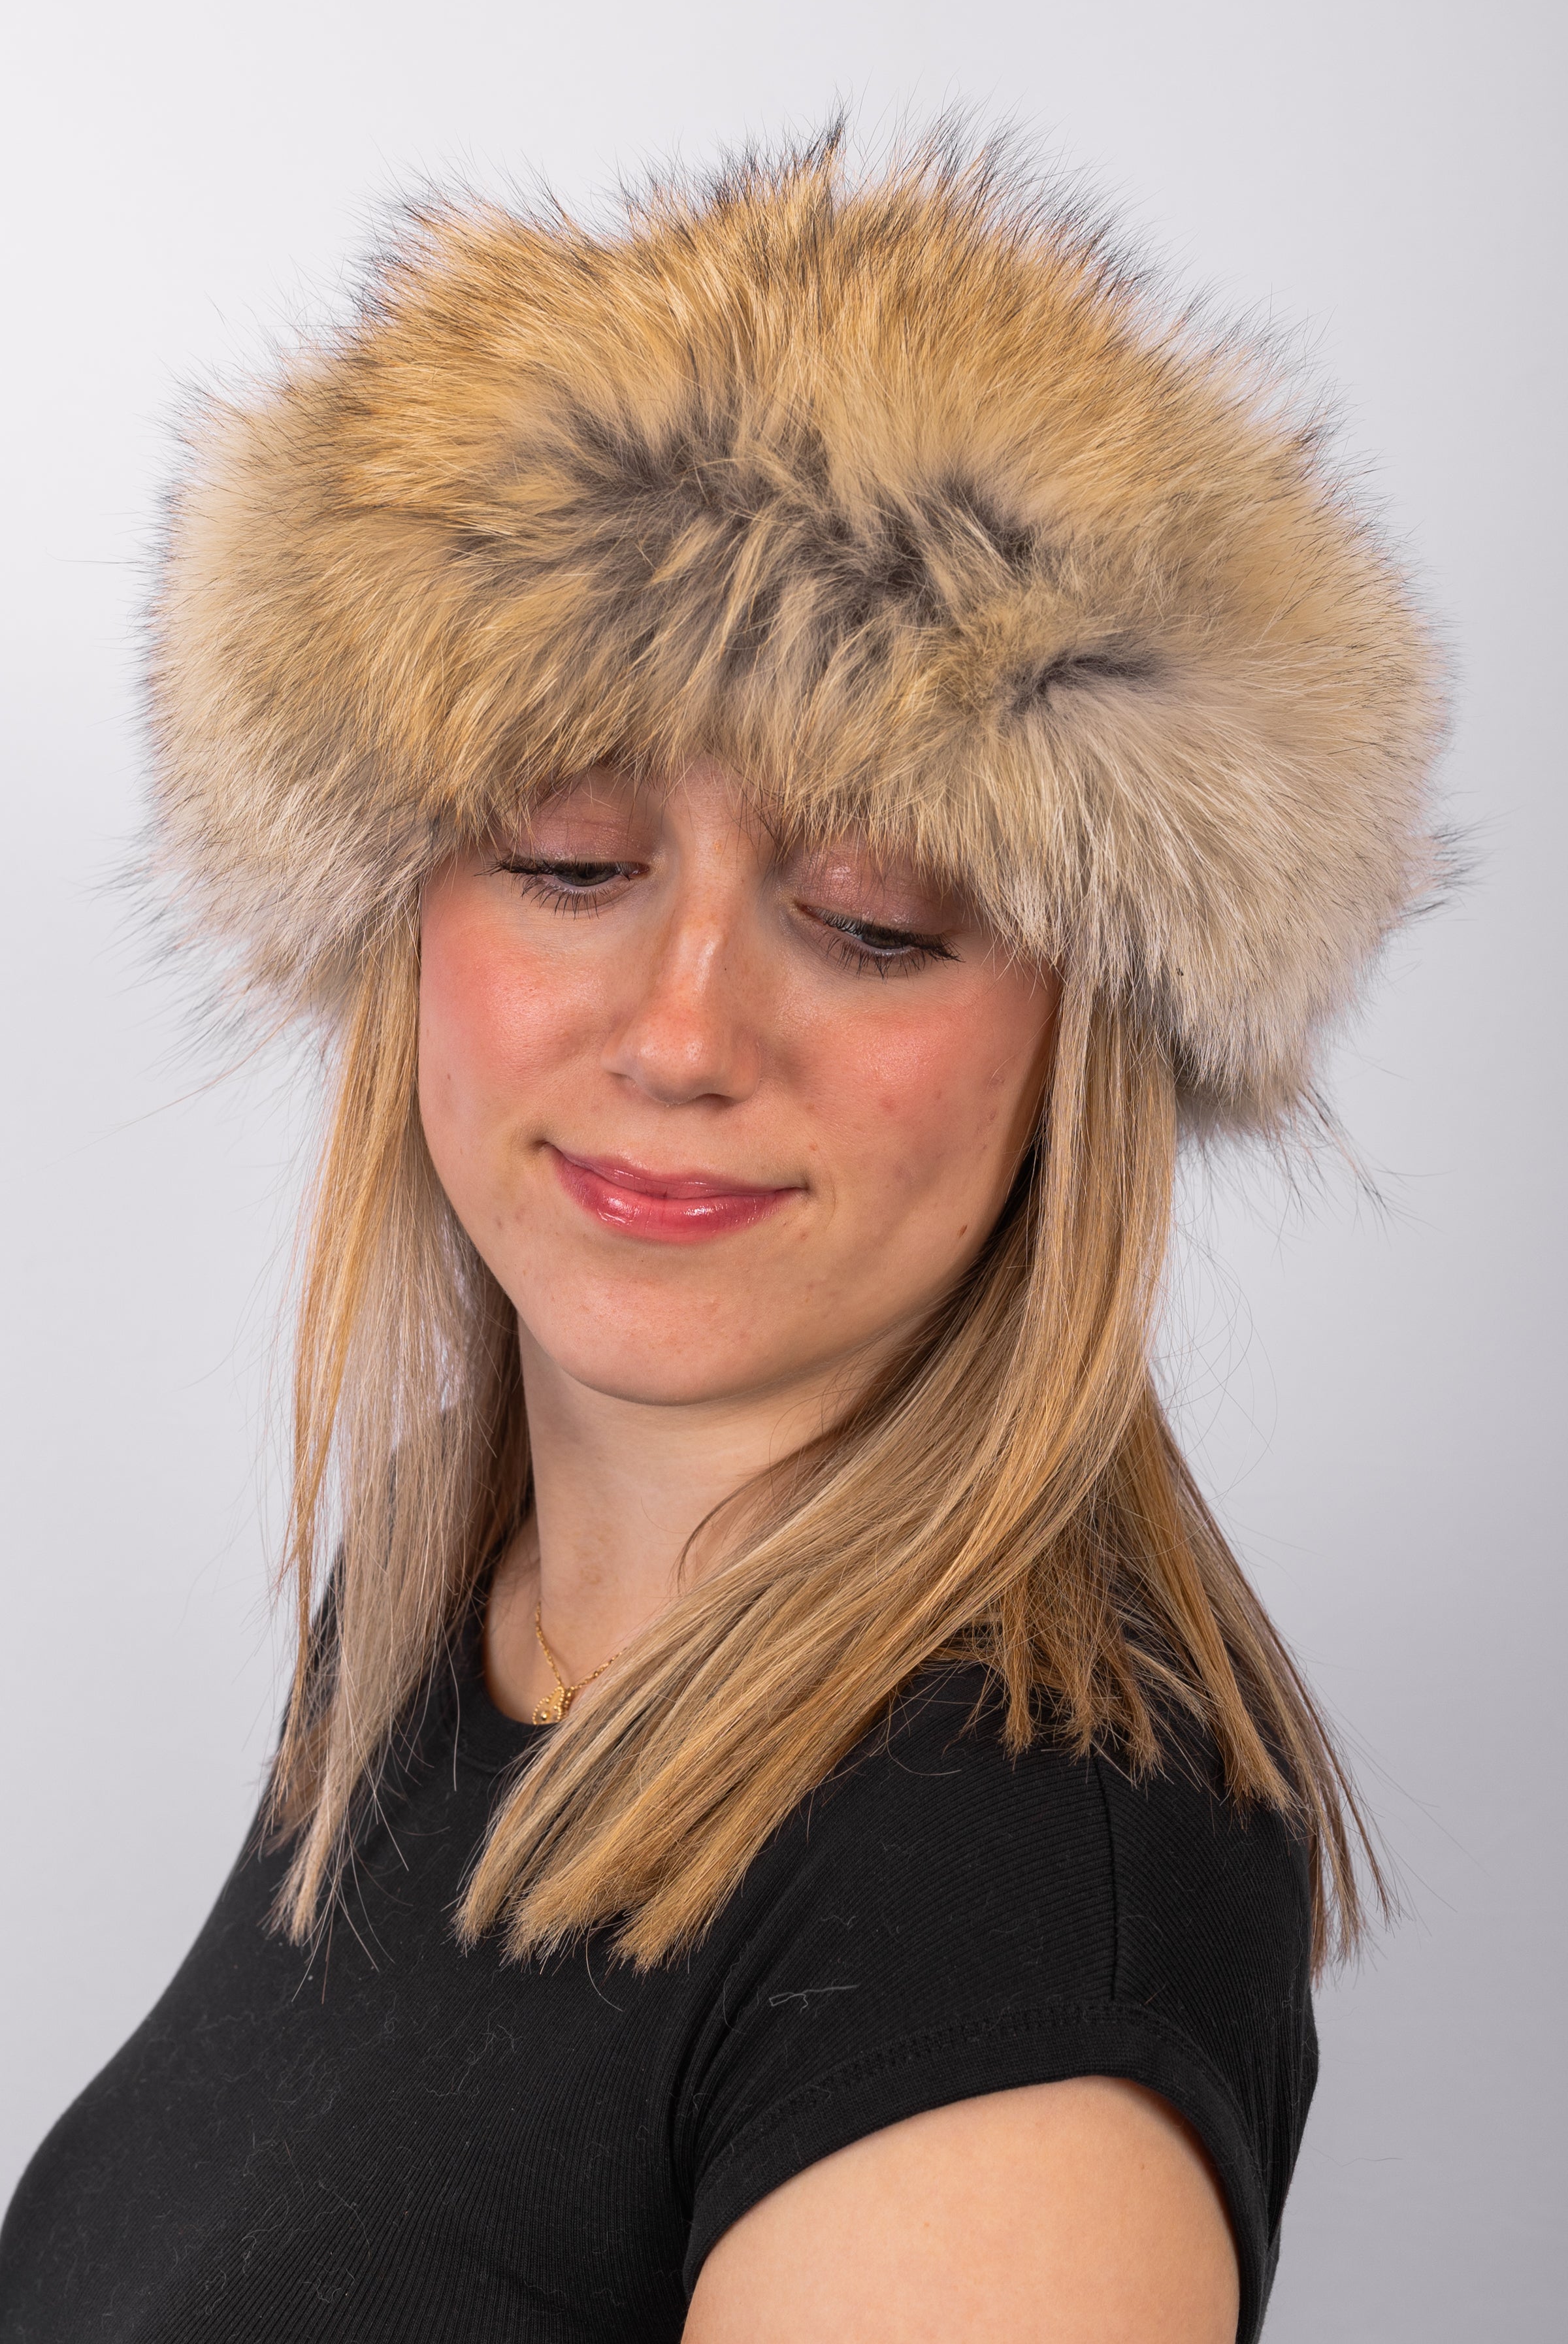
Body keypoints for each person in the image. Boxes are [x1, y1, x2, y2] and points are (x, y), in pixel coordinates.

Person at [0, 132, 1443, 2343]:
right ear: (406, 918)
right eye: (572, 864)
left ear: (1079, 1042)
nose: (682, 1035)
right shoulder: (454, 1615)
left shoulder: (1007, 1922)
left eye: (873, 920)